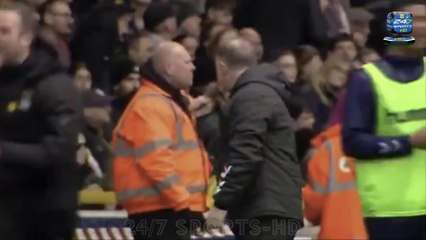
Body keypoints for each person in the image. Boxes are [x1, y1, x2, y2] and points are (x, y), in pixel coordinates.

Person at [342, 1, 426, 239]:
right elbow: (353, 142)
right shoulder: (367, 80)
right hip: (389, 211)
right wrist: (409, 142)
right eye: (417, 20)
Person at [112, 42, 211, 240]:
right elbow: (157, 163)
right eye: (187, 61)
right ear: (170, 68)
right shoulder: (151, 105)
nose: (193, 66)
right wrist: (183, 203)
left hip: (166, 208)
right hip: (161, 211)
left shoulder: (166, 102)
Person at [207, 38, 304, 240]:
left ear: (222, 67)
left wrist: (221, 202)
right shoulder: (262, 92)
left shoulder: (250, 96)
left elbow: (245, 153)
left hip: (265, 210)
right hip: (270, 206)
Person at [0, 1, 82, 239]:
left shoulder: (53, 85)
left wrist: (4, 152)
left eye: (4, 31)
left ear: (26, 37)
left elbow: (61, 150)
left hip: (42, 217)